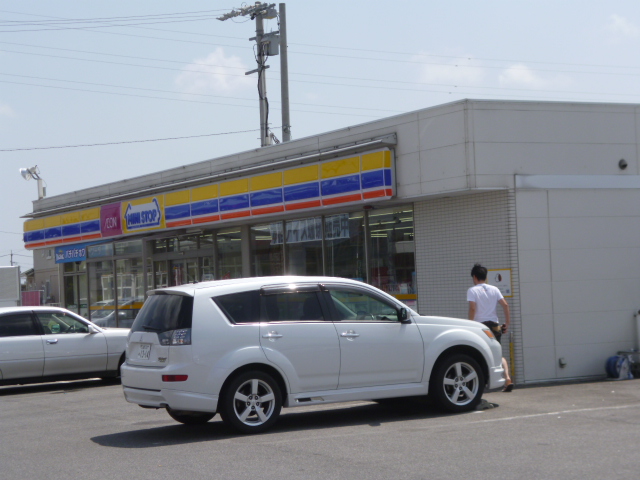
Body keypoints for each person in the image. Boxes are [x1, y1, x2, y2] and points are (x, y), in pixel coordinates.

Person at [467, 263, 514, 392]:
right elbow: (505, 305)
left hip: (479, 327)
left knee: (477, 353)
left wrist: (469, 324)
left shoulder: (472, 290)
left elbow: (472, 308)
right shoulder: (494, 289)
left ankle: (478, 385)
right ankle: (507, 378)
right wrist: (507, 324)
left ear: (475, 277)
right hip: (494, 326)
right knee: (498, 355)